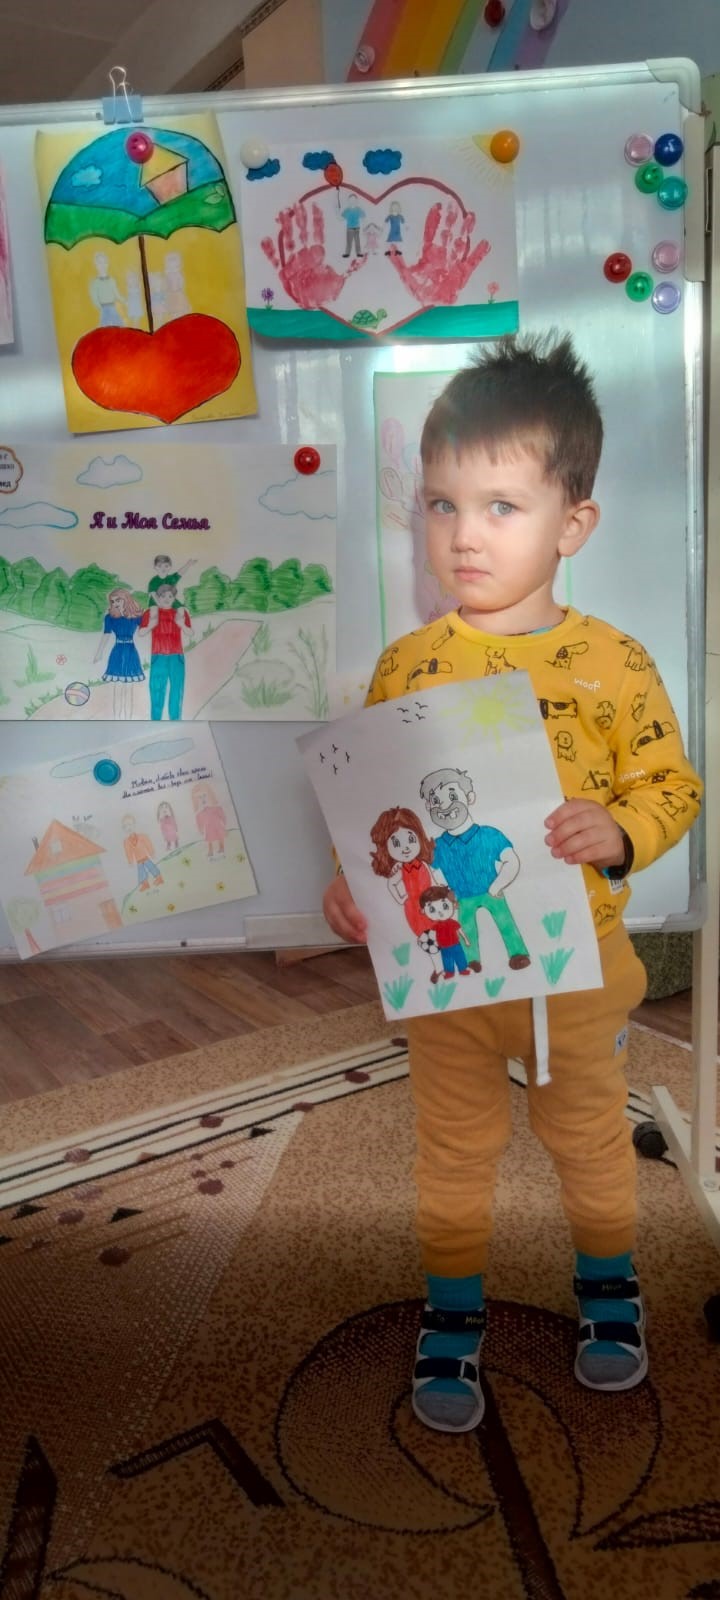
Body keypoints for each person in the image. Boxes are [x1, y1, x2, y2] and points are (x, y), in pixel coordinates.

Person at [323, 332, 703, 1434]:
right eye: (442, 505)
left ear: (572, 524)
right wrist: (357, 890)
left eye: (501, 505)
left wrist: (620, 829)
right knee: (453, 1150)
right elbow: (381, 814)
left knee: (587, 1139)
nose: (464, 534)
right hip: (450, 974)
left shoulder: (614, 663)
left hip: (576, 973)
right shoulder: (408, 666)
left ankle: (608, 1288)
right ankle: (452, 1310)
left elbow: (673, 784)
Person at [418, 765, 530, 969]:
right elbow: (436, 872)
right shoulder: (439, 846)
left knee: (505, 922)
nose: (445, 806)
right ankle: (471, 961)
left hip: (490, 890)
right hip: (462, 897)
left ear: (469, 797)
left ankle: (518, 953)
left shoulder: (488, 835)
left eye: (452, 796)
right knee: (465, 928)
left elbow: (511, 860)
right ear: (428, 807)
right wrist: (447, 892)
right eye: (435, 801)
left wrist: (496, 886)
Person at [369, 804, 449, 982]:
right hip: (414, 909)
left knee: (441, 933)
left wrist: (442, 891)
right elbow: (392, 884)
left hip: (432, 903)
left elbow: (434, 879)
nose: (405, 848)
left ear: (419, 837)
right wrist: (401, 898)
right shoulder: (401, 869)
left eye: (411, 839)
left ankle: (448, 965)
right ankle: (438, 968)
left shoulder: (423, 864)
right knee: (427, 939)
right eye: (396, 843)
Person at [138, 583, 192, 721]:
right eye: (163, 596)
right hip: (158, 656)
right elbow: (141, 632)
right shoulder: (150, 613)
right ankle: (155, 721)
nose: (167, 599)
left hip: (176, 656)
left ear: (174, 598)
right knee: (157, 689)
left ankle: (175, 721)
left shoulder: (180, 613)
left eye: (170, 596)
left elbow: (190, 632)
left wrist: (181, 624)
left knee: (177, 689)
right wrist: (151, 625)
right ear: (158, 597)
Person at [93, 587, 145, 719]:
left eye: (118, 600)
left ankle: (129, 718)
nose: (115, 603)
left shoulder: (136, 617)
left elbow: (143, 633)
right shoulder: (110, 618)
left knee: (129, 689)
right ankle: (117, 717)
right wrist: (99, 653)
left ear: (126, 599)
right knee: (117, 687)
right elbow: (106, 635)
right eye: (112, 601)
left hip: (131, 652)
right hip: (117, 651)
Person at [418, 884, 473, 979]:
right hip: (444, 946)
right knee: (447, 959)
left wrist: (466, 940)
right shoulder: (436, 927)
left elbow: (460, 930)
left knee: (460, 956)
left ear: (454, 904)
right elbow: (431, 935)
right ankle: (449, 972)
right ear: (423, 911)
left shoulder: (453, 923)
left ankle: (463, 969)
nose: (440, 912)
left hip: (456, 944)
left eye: (444, 906)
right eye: (432, 909)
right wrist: (422, 941)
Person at [122, 815, 164, 891]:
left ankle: (159, 878)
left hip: (145, 857)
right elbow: (128, 852)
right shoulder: (126, 842)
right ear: (123, 829)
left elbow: (148, 844)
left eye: (130, 824)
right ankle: (145, 884)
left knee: (152, 867)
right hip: (138, 860)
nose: (128, 827)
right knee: (141, 872)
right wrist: (130, 861)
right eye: (125, 826)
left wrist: (152, 853)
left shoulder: (142, 836)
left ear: (134, 824)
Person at [341, 193, 366, 259]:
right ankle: (347, 253)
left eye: (354, 200)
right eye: (351, 200)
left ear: (356, 201)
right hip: (349, 228)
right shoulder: (347, 210)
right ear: (348, 201)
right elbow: (341, 218)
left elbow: (363, 216)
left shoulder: (358, 209)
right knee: (349, 241)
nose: (352, 201)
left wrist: (364, 226)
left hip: (357, 228)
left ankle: (358, 253)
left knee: (357, 241)